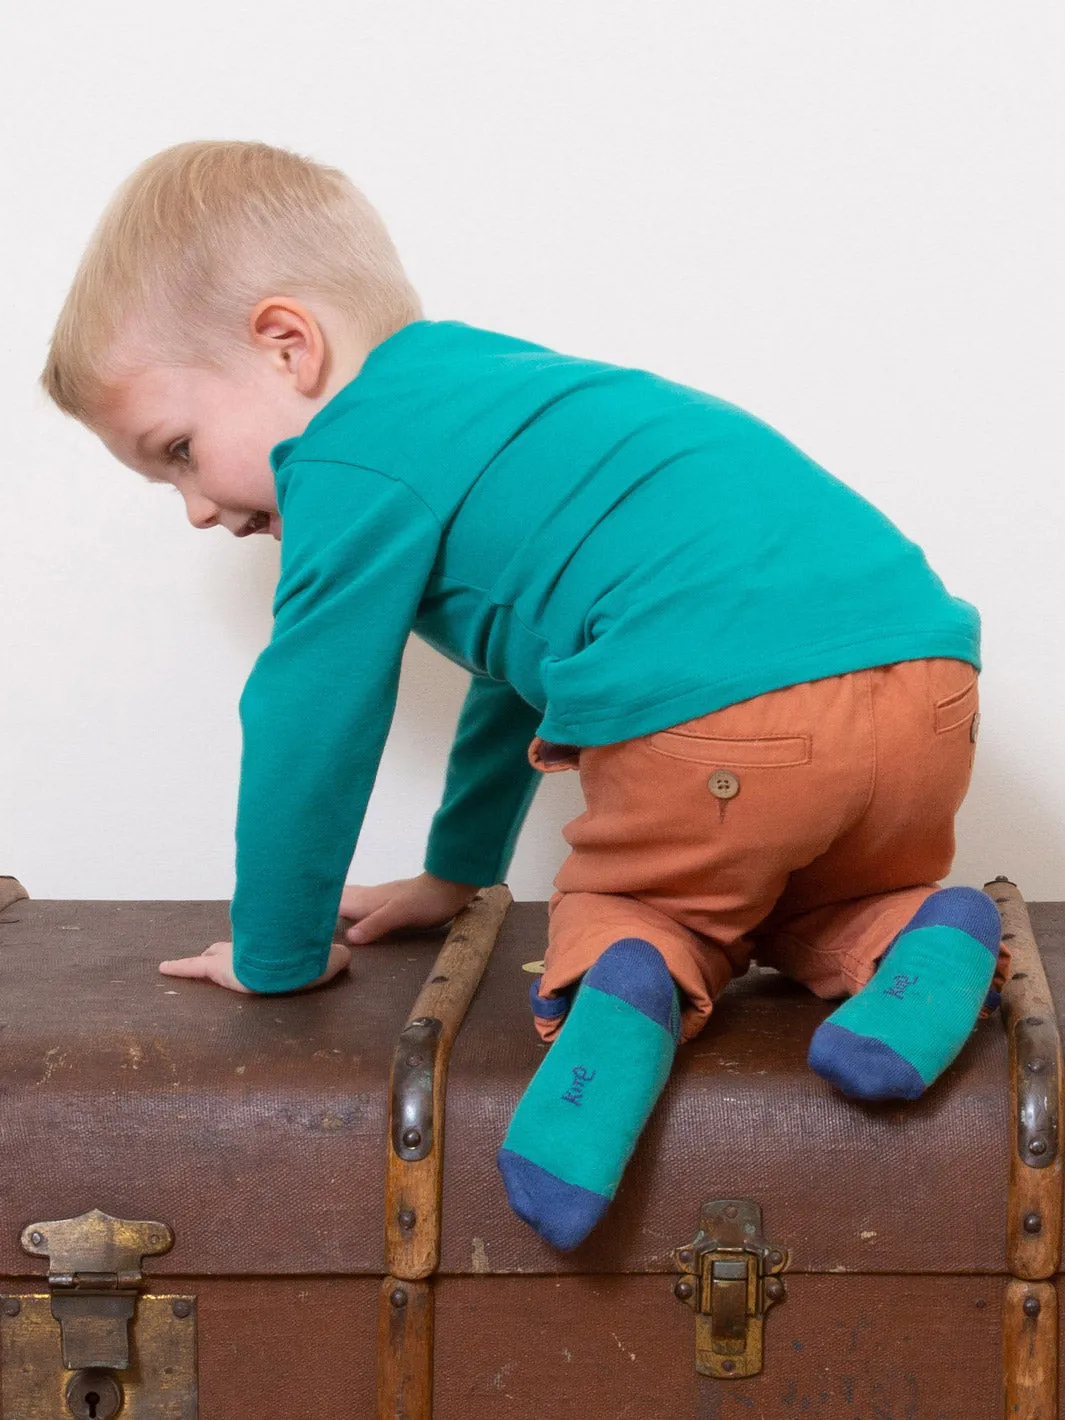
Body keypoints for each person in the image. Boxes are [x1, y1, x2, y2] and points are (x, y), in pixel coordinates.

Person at [40, 140, 1007, 1252]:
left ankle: (586, 1098)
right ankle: (919, 932)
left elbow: (309, 713)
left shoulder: (348, 460)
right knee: (800, 895)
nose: (198, 510)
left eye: (177, 451)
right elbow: (526, 673)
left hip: (731, 722)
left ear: (286, 346)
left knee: (648, 913)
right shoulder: (492, 395)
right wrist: (458, 873)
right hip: (928, 685)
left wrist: (279, 951)